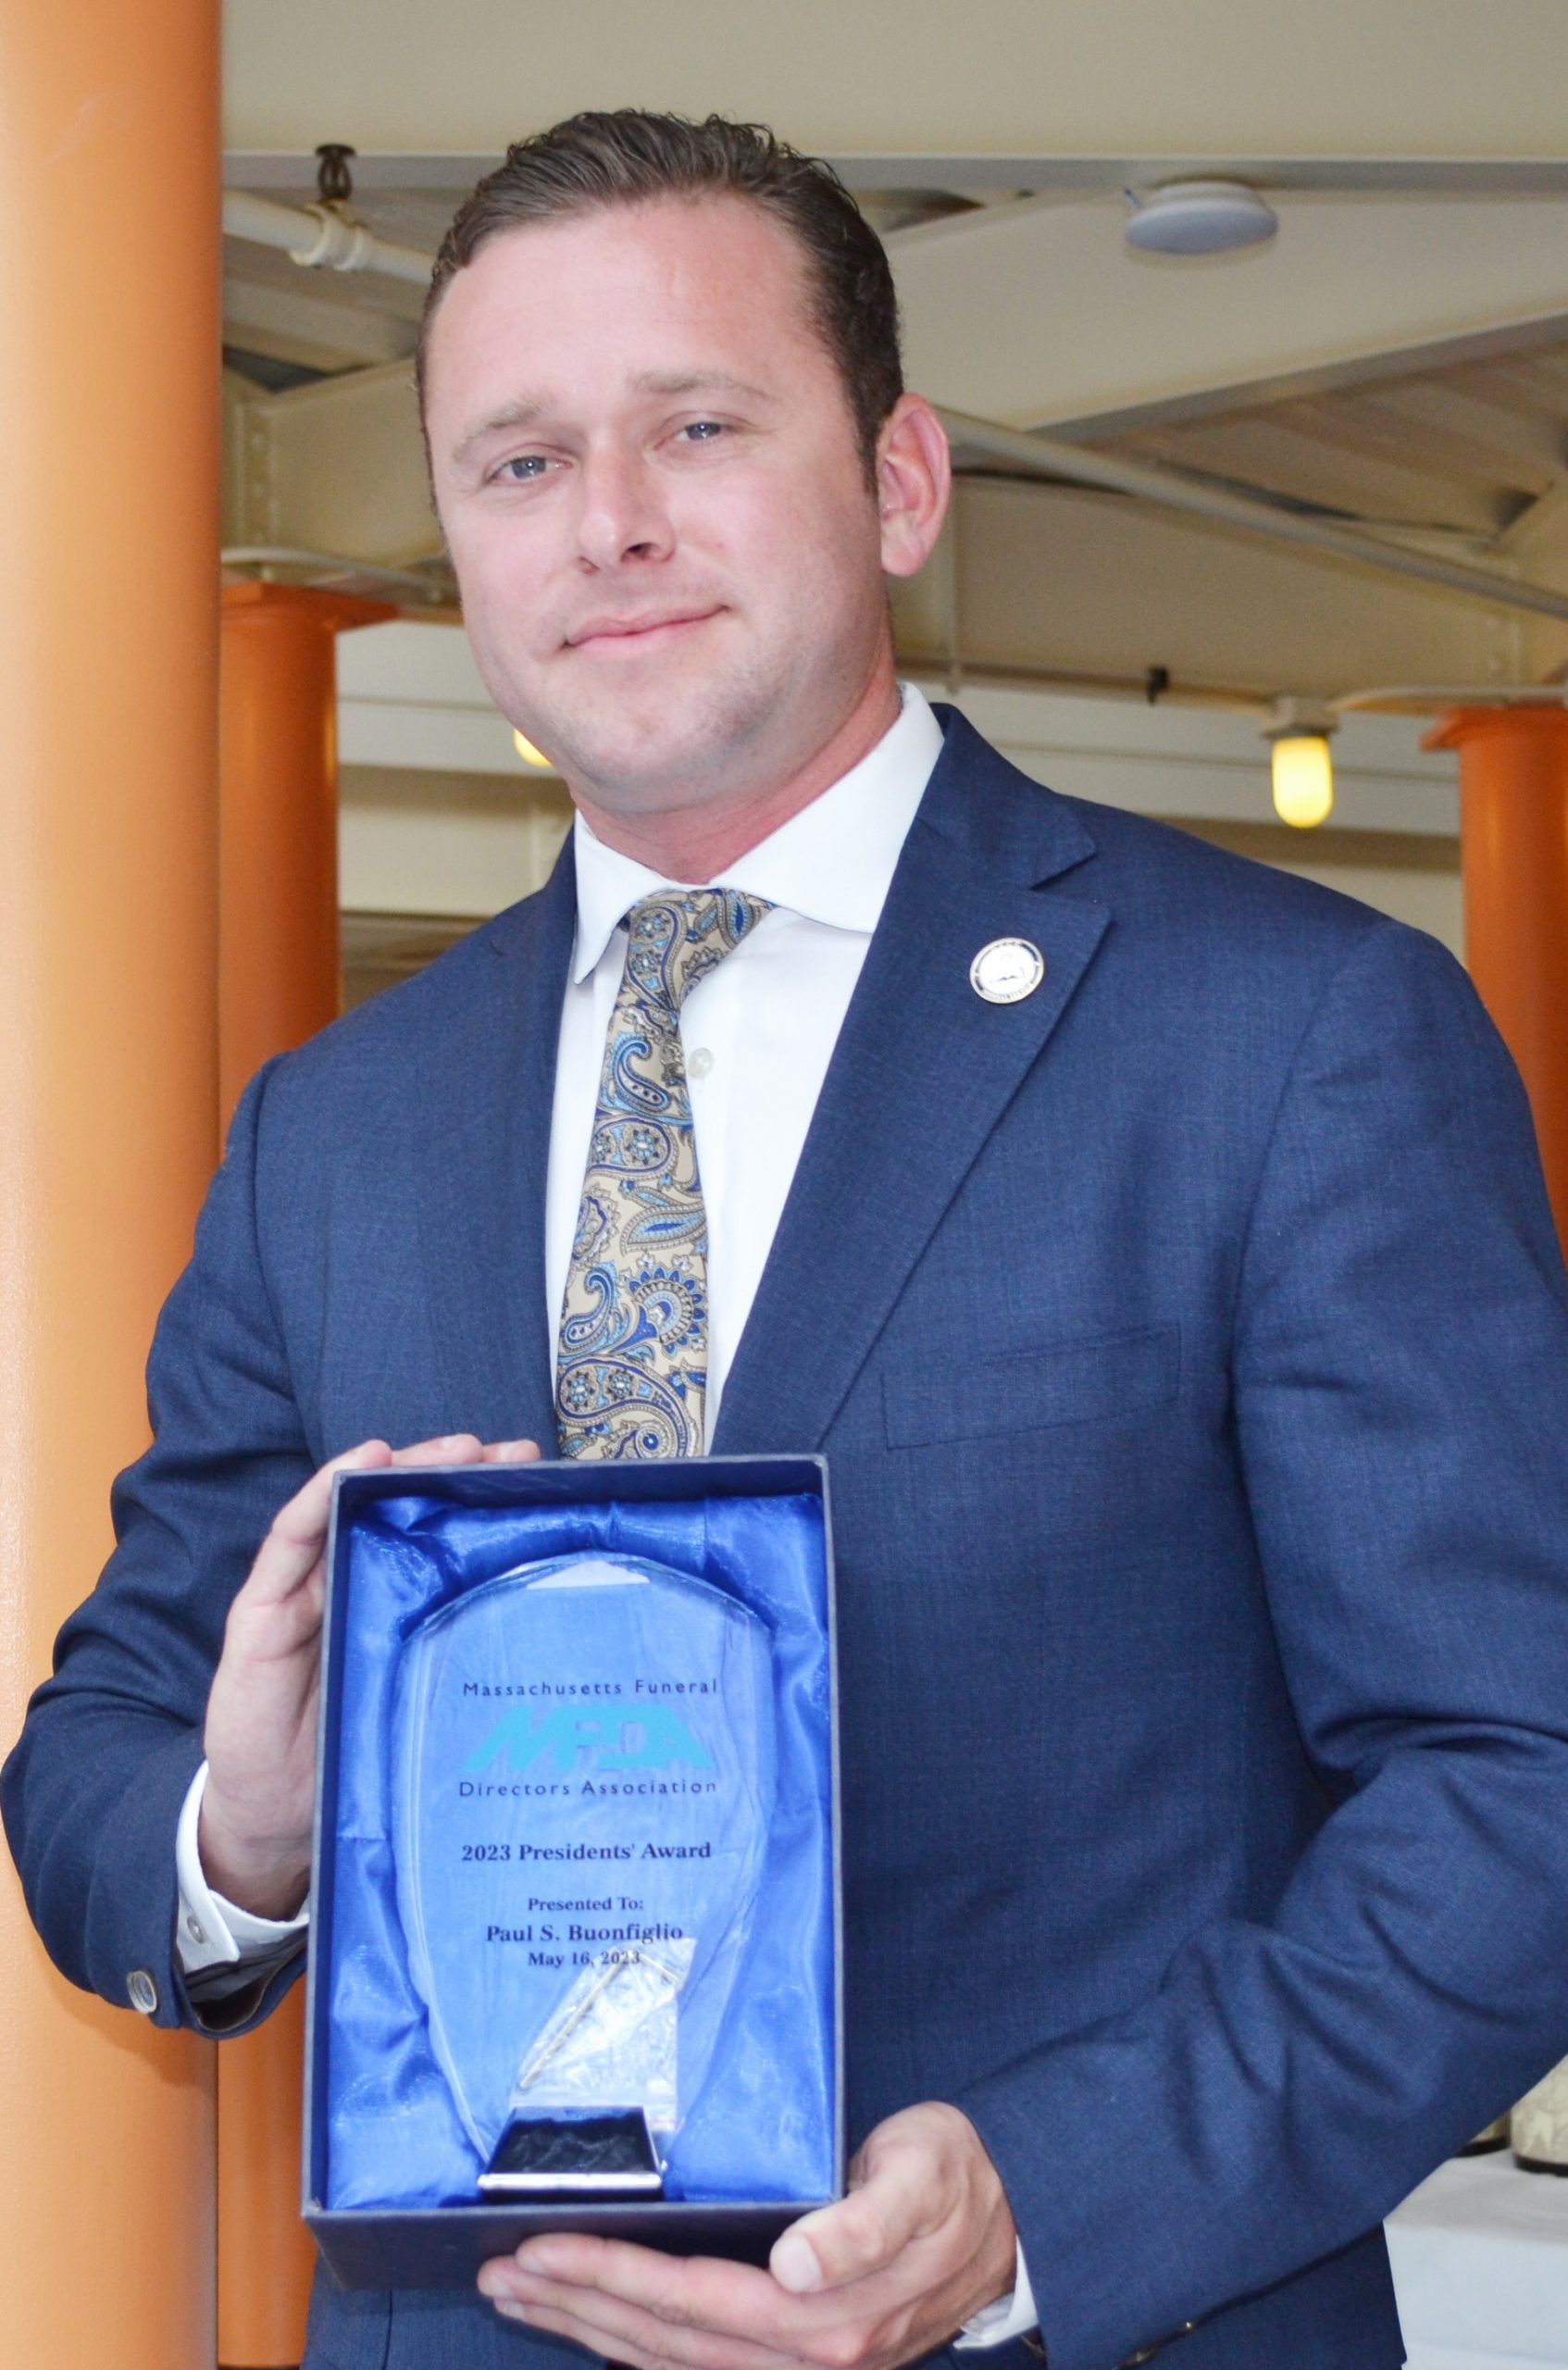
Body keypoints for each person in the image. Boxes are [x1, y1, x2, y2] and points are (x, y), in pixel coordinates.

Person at [8, 108, 1568, 2370]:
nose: (609, 521)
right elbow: (92, 1756)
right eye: (518, 462)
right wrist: (244, 1819)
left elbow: (1515, 1771)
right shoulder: (330, 1129)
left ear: (901, 481)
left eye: (699, 424)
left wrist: (1045, 2191)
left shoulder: (1290, 1033)